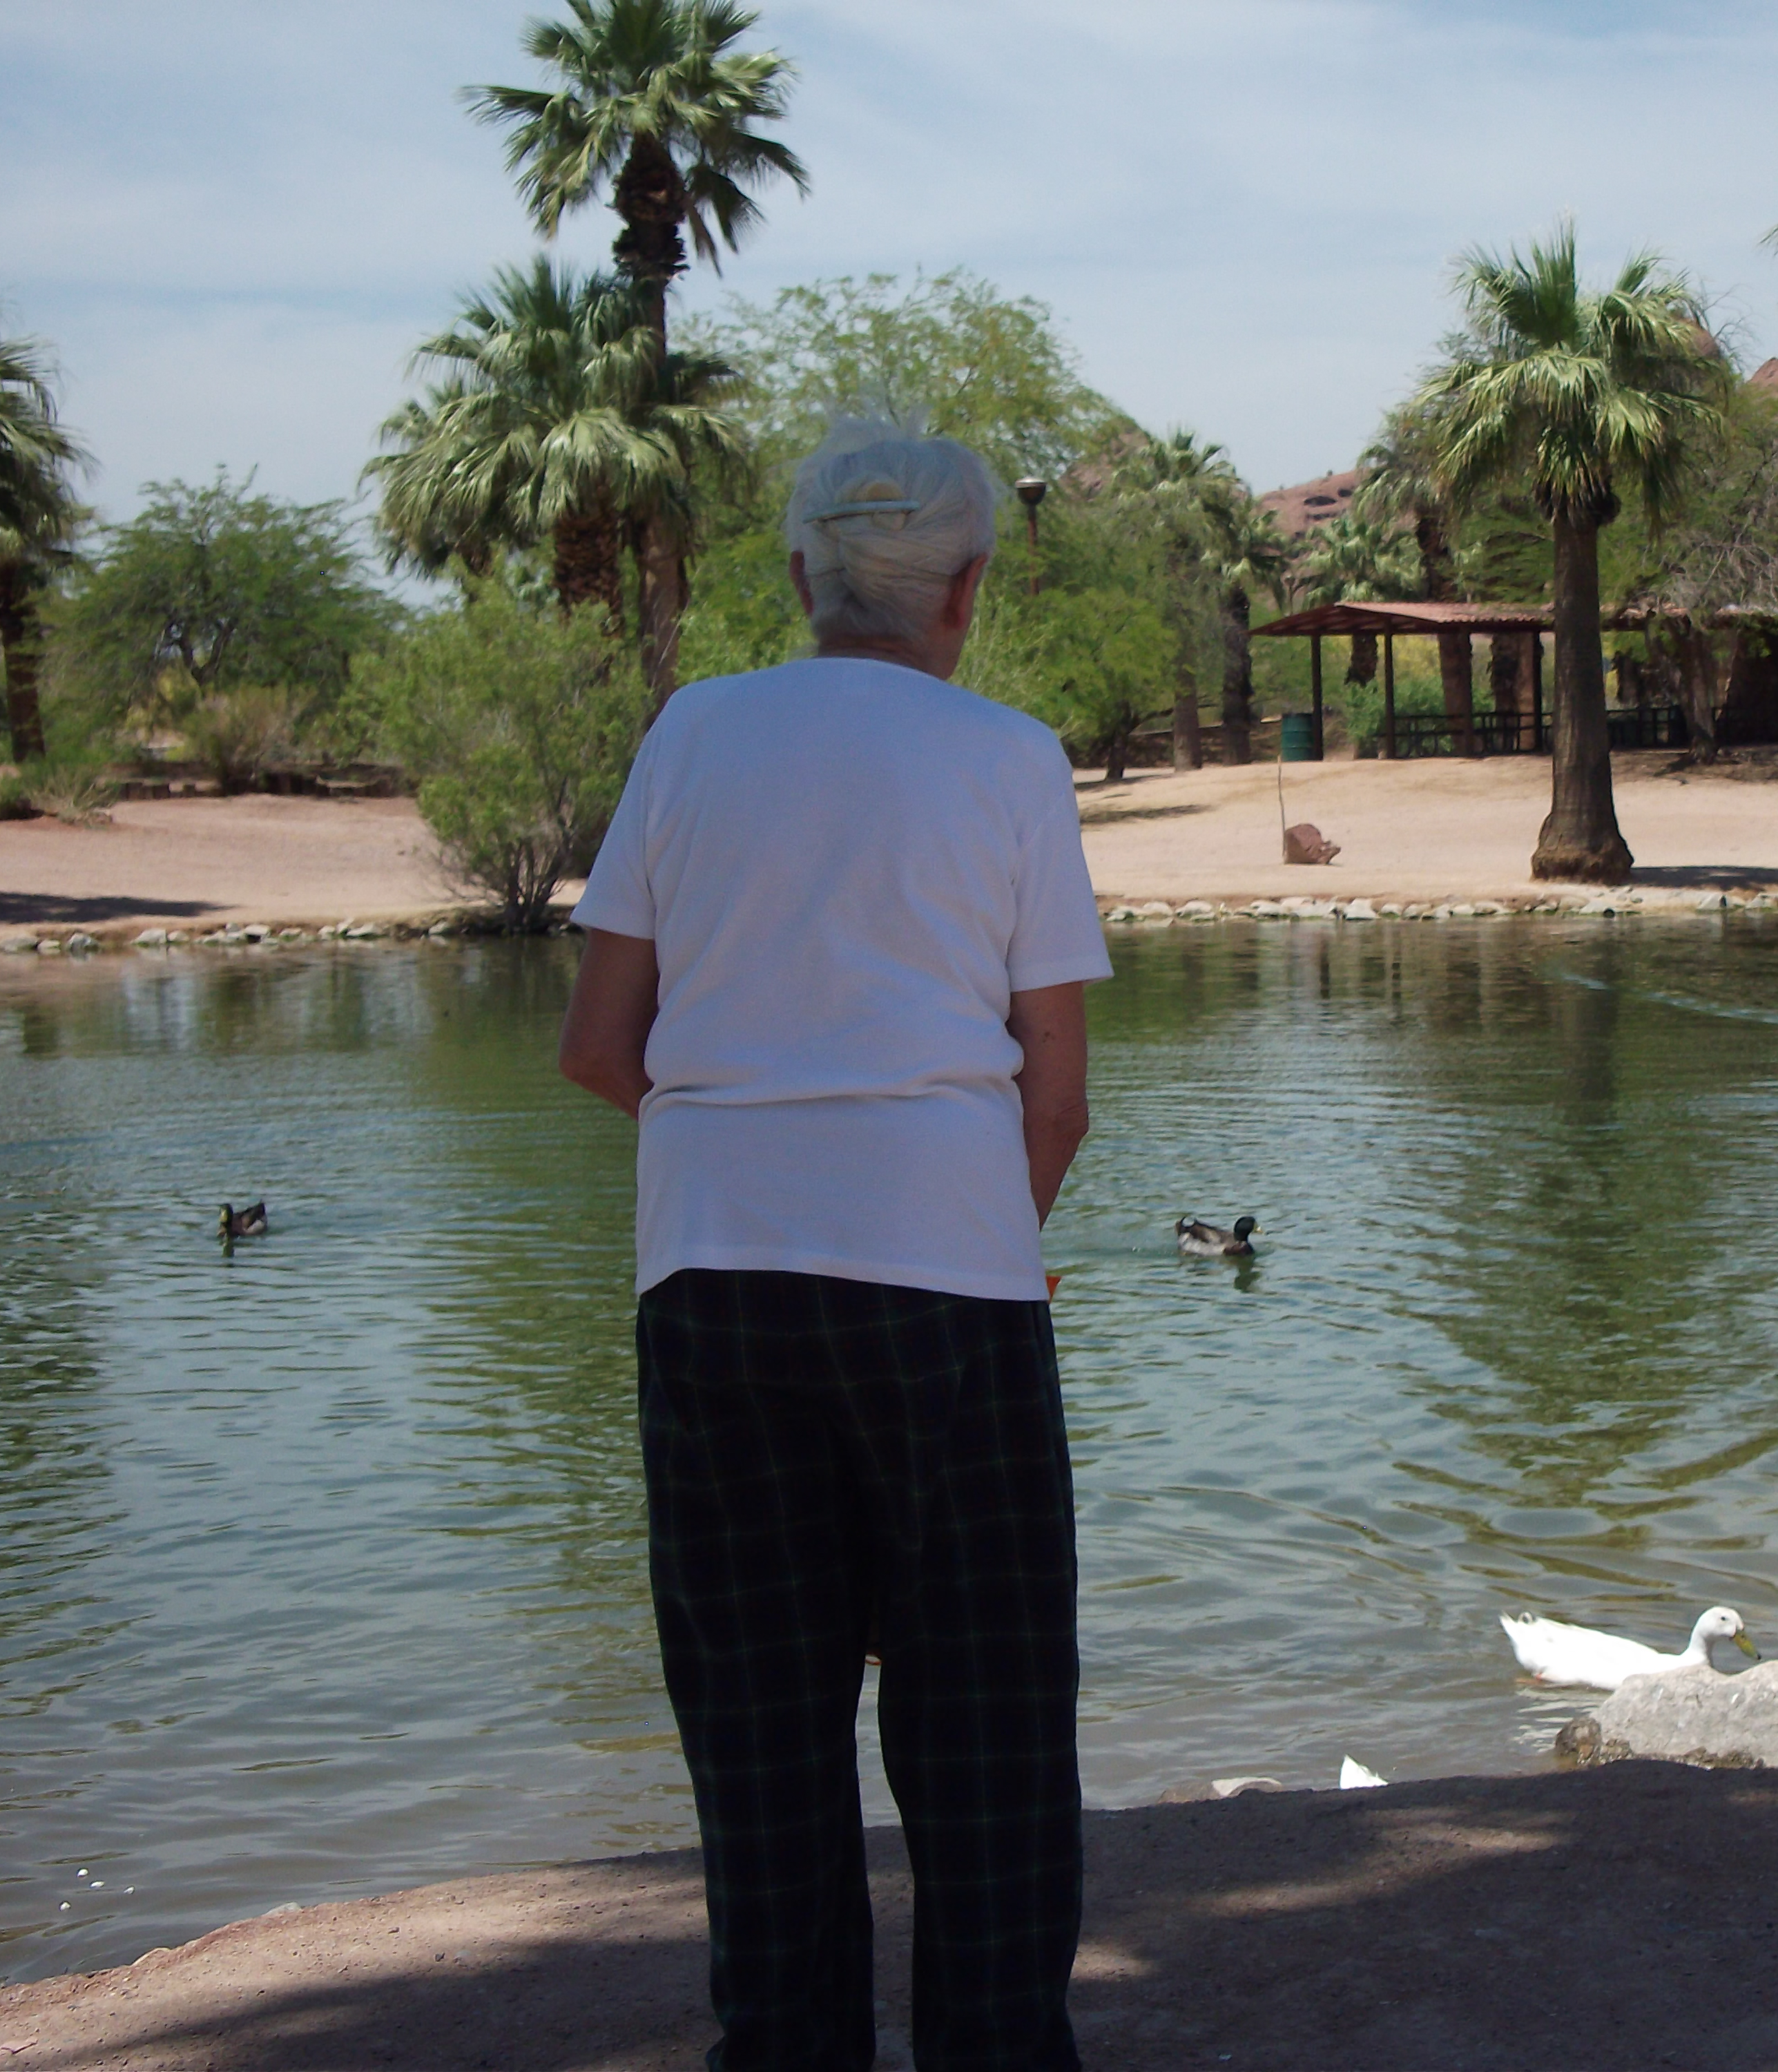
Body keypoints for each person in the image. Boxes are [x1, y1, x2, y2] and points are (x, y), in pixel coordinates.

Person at [559, 416, 1109, 2071]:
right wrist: (960, 1235)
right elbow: (1057, 1096)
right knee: (987, 1732)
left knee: (760, 1734)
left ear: (799, 577)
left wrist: (756, 1167)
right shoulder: (1008, 758)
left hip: (713, 1288)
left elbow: (601, 1044)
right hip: (952, 1293)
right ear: (967, 593)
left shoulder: (693, 735)